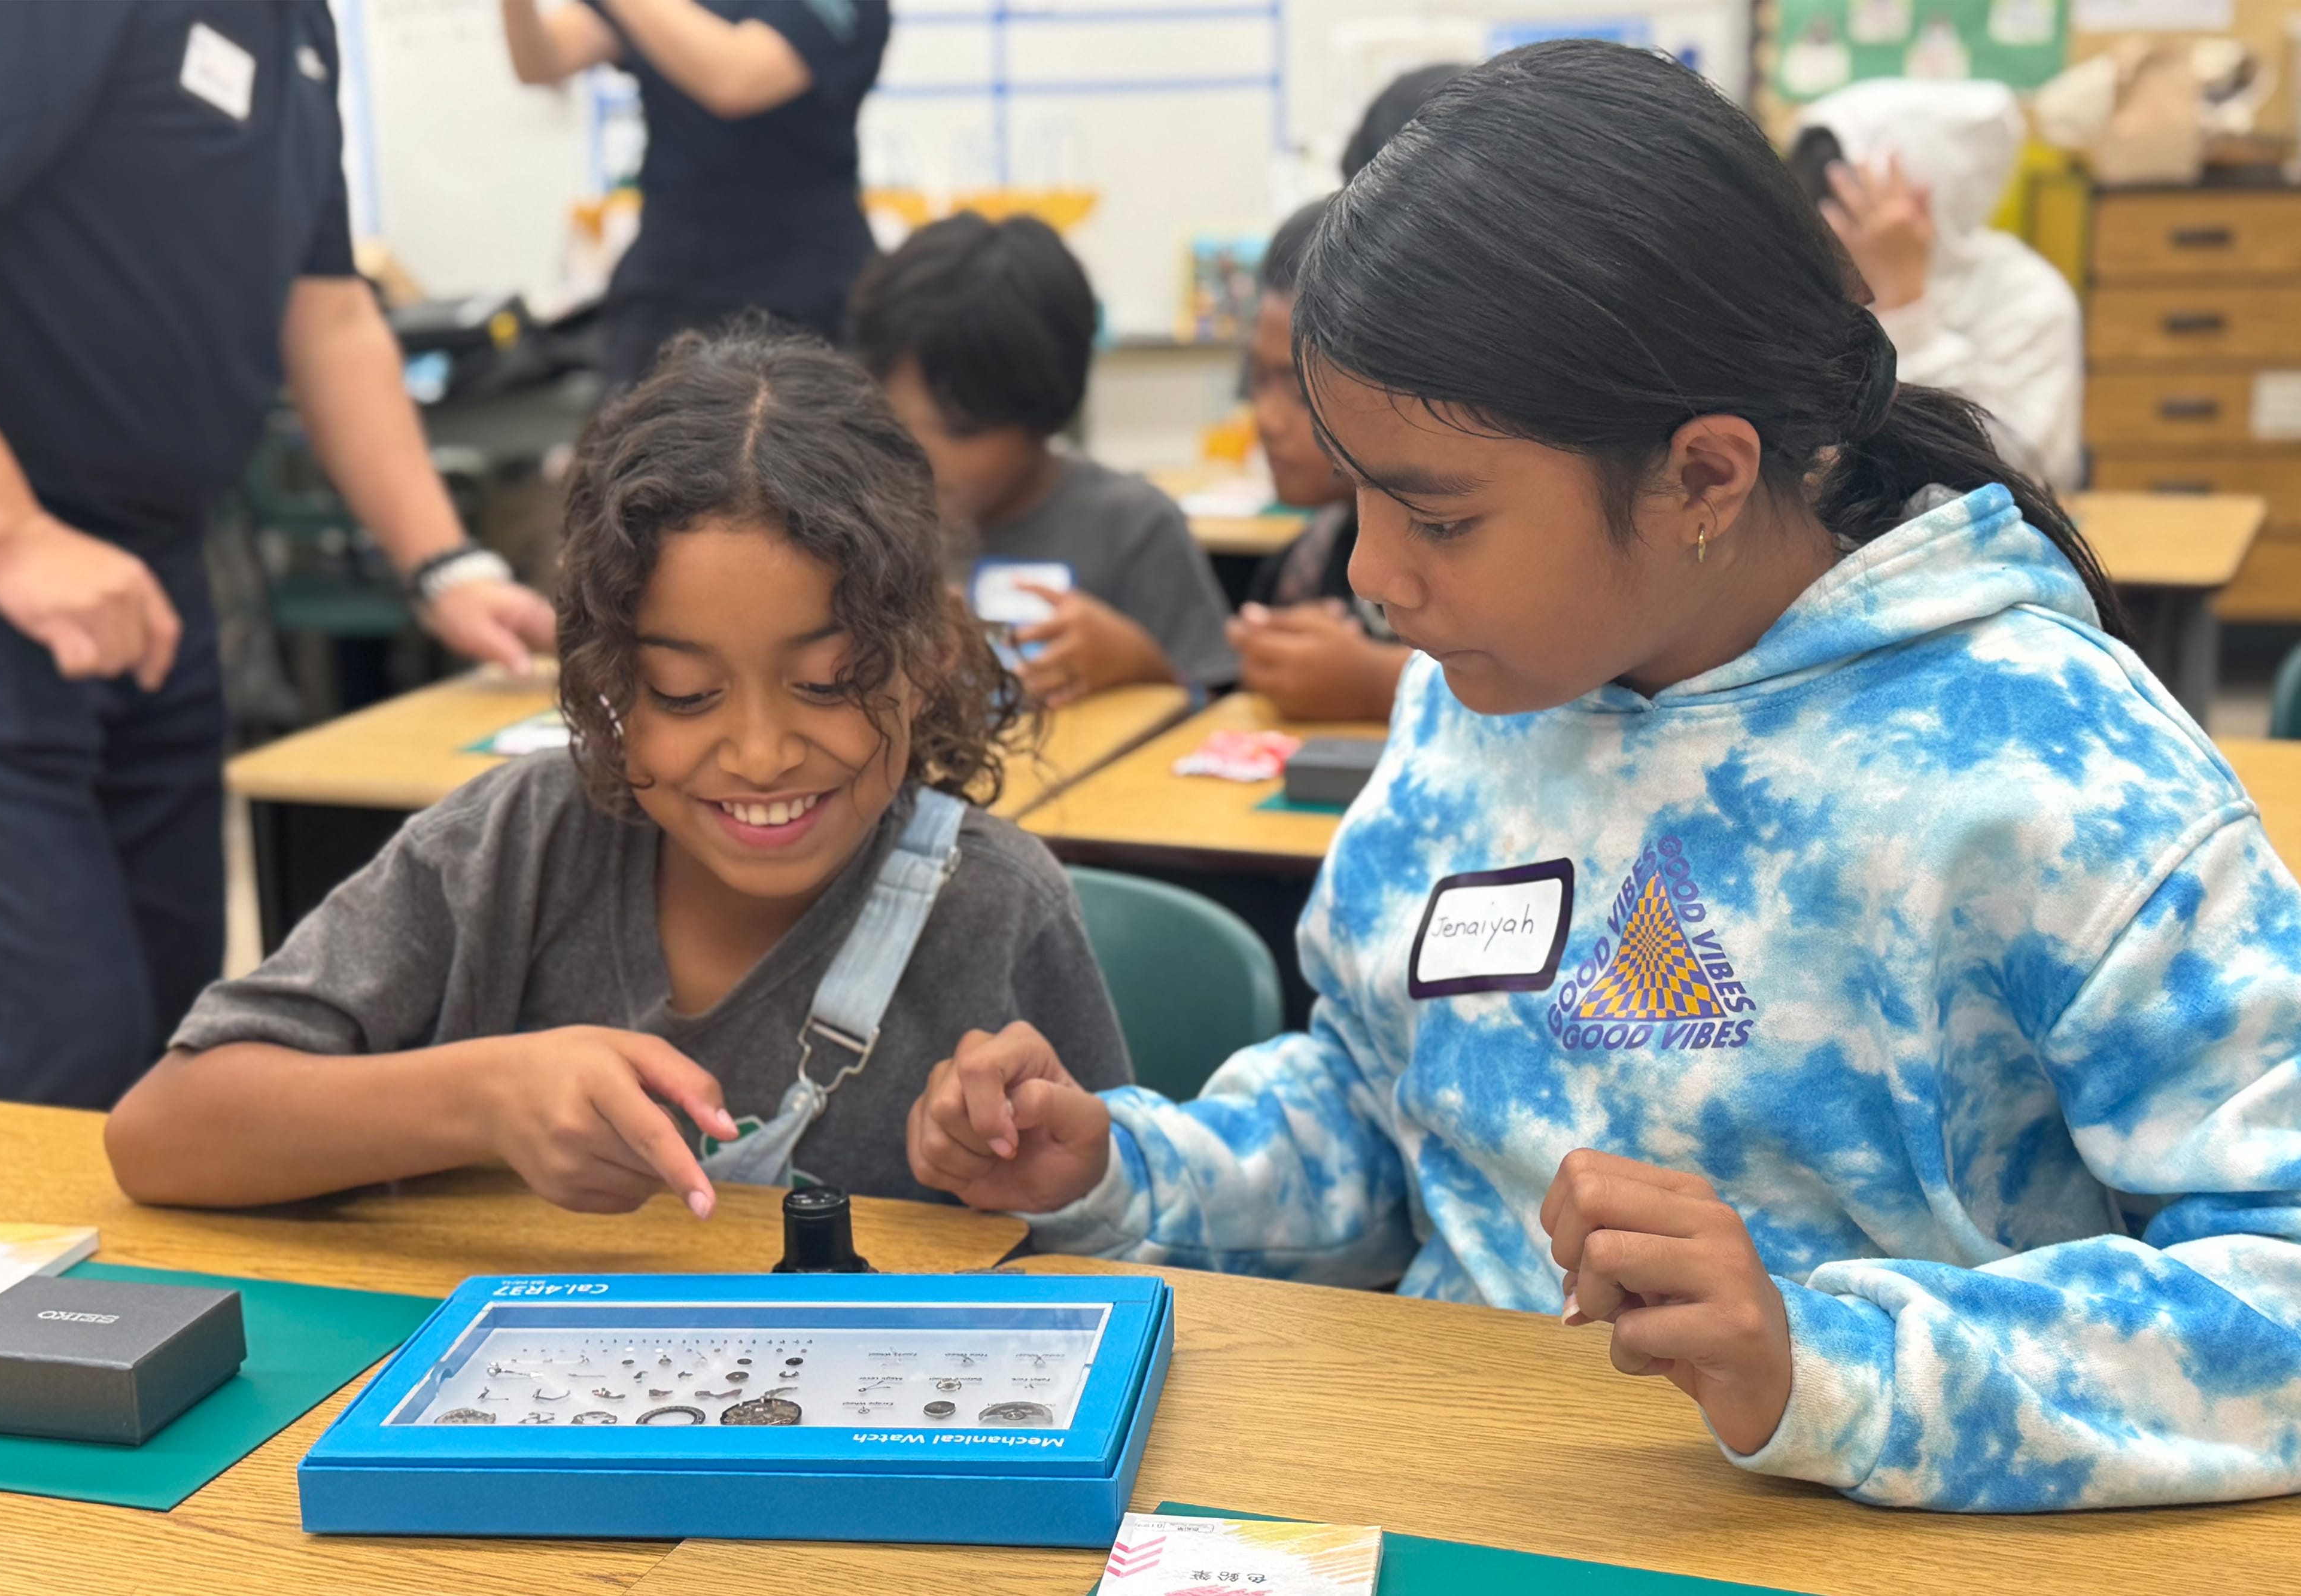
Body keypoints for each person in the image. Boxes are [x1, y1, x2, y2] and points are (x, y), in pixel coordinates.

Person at [901, 42, 2301, 1512]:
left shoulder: (2044, 775)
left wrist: (1825, 1365)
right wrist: (1117, 1173)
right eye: (1357, 494)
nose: (1373, 578)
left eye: (1436, 520)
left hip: (1830, 1534)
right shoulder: (1486, 698)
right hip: (1439, 1483)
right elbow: (1386, 1113)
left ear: (1700, 476)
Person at [105, 327, 1129, 1213]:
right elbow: (161, 1133)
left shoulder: (996, 910)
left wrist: (1055, 1173)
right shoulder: (511, 849)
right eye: (685, 693)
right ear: (606, 686)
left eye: (833, 680)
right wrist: (481, 1099)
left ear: (926, 656)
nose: (763, 751)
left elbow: (1129, 1247)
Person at [0, 2, 554, 1111]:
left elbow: (331, 310)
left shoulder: (299, 28)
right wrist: (8, 533)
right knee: (47, 1047)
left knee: (180, 1049)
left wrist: (445, 563)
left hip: (149, 577)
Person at [849, 212, 1237, 706]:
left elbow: (1223, 718)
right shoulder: (861, 527)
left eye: (963, 430)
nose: (925, 461)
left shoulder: (1133, 528)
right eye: (898, 427)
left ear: (1042, 411)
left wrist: (1141, 666)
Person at [501, 0, 890, 386]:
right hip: (668, 276)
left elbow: (734, 79)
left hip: (804, 279)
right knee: (639, 439)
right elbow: (543, 61)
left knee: (801, 439)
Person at [1791, 78, 2083, 489]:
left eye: (1855, 211)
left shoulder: (2029, 296)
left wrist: (1904, 304)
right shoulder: (1818, 283)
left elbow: (2022, 475)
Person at [1224, 199, 1410, 723]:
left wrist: (1373, 683)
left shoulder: (1468, 555)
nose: (1267, 419)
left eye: (1299, 391)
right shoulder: (1301, 568)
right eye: (1258, 381)